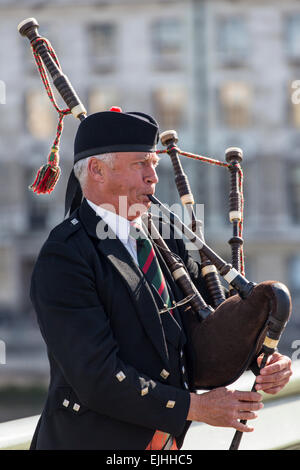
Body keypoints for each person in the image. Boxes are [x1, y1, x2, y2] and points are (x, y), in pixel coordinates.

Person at [29, 109, 292, 450]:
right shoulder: (66, 254)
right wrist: (195, 407)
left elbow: (207, 325)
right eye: (141, 163)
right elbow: (96, 376)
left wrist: (261, 355)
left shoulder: (166, 239)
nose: (154, 176)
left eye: (154, 162)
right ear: (97, 170)